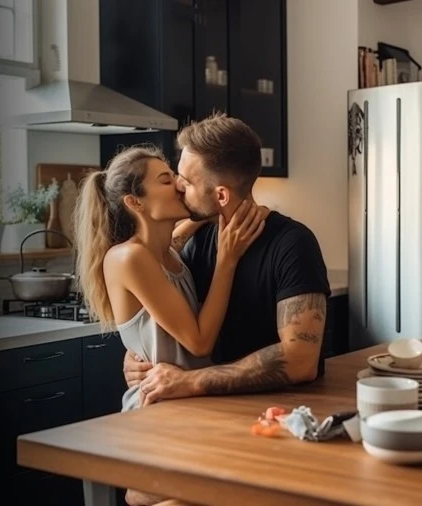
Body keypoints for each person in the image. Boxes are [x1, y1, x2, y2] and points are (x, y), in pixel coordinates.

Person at [124, 111, 331, 410]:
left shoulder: (294, 244)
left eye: (187, 181)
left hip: (277, 414)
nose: (178, 187)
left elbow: (300, 361)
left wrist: (191, 381)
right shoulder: (195, 239)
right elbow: (168, 320)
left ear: (221, 195)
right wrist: (137, 357)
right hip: (202, 412)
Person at [72, 143, 267, 413]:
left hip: (193, 403)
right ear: (134, 201)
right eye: (166, 180)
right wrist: (227, 259)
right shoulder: (127, 258)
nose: (178, 184)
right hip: (156, 409)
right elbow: (199, 343)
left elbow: (177, 237)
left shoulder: (167, 254)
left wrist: (214, 202)